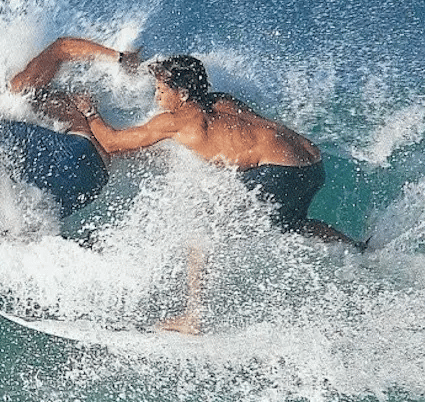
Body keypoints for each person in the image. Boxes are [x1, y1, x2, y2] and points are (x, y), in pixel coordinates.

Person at [78, 54, 359, 333]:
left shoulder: (174, 122)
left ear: (183, 93)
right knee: (294, 223)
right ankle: (357, 248)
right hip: (311, 162)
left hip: (280, 172)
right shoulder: (222, 100)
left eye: (162, 90)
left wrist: (89, 111)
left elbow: (113, 143)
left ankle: (193, 317)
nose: (157, 97)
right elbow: (232, 140)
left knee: (199, 230)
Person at [0, 37, 139, 244]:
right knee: (19, 215)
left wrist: (119, 58)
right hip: (93, 182)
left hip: (75, 156)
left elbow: (61, 46)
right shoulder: (41, 114)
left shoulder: (19, 88)